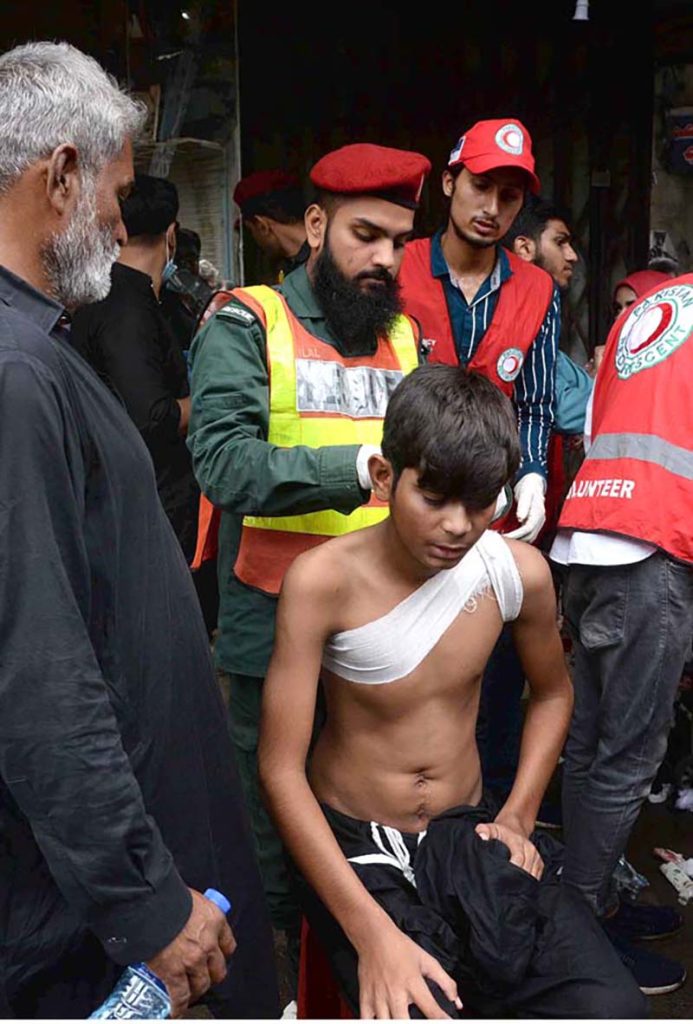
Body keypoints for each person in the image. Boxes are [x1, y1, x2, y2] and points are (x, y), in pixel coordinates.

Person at [0, 40, 278, 1019]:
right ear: (62, 173)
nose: (122, 221)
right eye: (118, 190)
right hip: (69, 935)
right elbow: (38, 668)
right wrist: (144, 898)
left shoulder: (38, 346)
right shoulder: (14, 373)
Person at [258, 364, 646, 1020]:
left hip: (464, 832)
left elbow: (553, 694)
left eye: (479, 501)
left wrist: (519, 815)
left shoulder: (513, 574)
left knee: (610, 1006)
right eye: (434, 498)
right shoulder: (321, 582)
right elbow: (278, 768)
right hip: (357, 839)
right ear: (385, 478)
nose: (458, 526)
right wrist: (371, 932)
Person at [187, 142, 432, 1003]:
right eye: (365, 234)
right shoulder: (246, 323)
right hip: (269, 633)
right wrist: (357, 467)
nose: (383, 260)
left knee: (368, 831)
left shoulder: (405, 336)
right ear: (317, 225)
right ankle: (271, 996)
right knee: (270, 850)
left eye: (398, 242)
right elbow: (220, 463)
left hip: (380, 635)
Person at [398, 118, 561, 807]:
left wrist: (531, 474)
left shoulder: (535, 289)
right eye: (479, 186)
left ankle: (489, 819)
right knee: (403, 670)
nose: (491, 207)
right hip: (403, 513)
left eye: (509, 195)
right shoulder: (397, 269)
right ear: (448, 183)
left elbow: (535, 398)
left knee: (492, 672)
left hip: (486, 519)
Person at [550, 272, 693, 996]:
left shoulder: (660, 304)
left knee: (590, 744)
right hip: (651, 550)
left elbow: (594, 419)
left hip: (589, 533)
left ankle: (591, 896)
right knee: (627, 756)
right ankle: (578, 936)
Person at [71, 173, 200, 565]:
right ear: (171, 235)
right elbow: (152, 417)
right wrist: (220, 400)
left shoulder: (143, 299)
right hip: (151, 514)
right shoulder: (126, 305)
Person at [233, 168, 309, 281]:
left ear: (262, 225)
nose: (256, 240)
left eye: (251, 230)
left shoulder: (320, 264)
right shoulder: (290, 266)